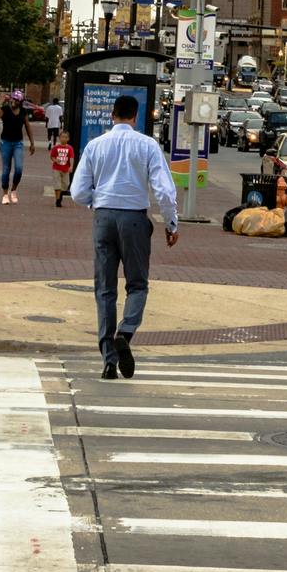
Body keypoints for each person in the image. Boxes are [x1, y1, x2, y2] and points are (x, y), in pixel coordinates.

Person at [68, 93, 178, 380]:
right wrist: (171, 223)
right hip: (134, 218)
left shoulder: (95, 145)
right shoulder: (147, 145)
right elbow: (164, 190)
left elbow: (78, 191)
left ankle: (108, 360)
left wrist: (97, 202)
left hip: (103, 216)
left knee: (104, 288)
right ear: (135, 116)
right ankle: (126, 332)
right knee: (137, 284)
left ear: (112, 115)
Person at [0, 91, 30, 205]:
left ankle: (13, 190)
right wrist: (1, 101)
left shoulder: (23, 112)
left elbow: (28, 126)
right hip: (5, 142)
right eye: (12, 99)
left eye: (16, 100)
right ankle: (5, 194)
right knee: (6, 169)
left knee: (19, 168)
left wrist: (32, 142)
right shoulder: (5, 109)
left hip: (18, 143)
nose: (13, 102)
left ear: (20, 102)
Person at [49, 131, 76, 207]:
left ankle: (60, 195)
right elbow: (52, 156)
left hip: (65, 169)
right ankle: (58, 200)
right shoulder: (56, 147)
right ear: (59, 138)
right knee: (57, 185)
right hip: (56, 168)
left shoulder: (70, 148)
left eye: (66, 137)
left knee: (65, 184)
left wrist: (71, 166)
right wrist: (55, 160)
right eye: (62, 137)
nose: (64, 138)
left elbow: (71, 158)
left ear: (68, 139)